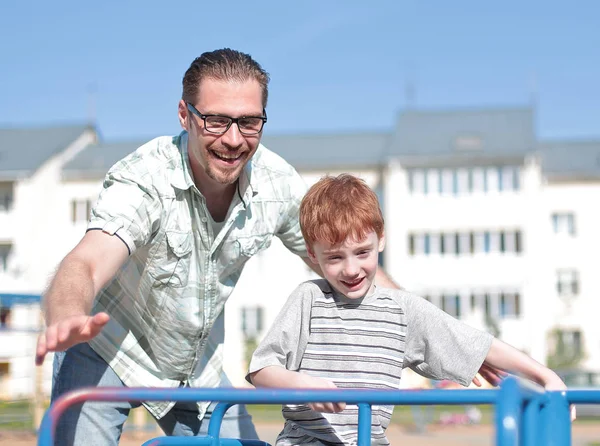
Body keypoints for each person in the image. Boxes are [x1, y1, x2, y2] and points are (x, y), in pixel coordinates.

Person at [34, 48, 405, 445]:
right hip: (106, 350)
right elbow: (87, 262)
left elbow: (347, 259)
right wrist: (67, 314)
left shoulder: (276, 185)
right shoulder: (144, 179)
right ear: (185, 115)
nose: (233, 139)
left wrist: (446, 337)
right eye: (215, 121)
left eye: (248, 122)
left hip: (194, 365)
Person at [247, 174, 571, 446]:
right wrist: (301, 384)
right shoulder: (309, 299)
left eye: (363, 252)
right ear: (313, 256)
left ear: (382, 240)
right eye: (334, 257)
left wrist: (545, 375)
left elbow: (477, 343)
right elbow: (261, 369)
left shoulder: (401, 310)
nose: (351, 269)